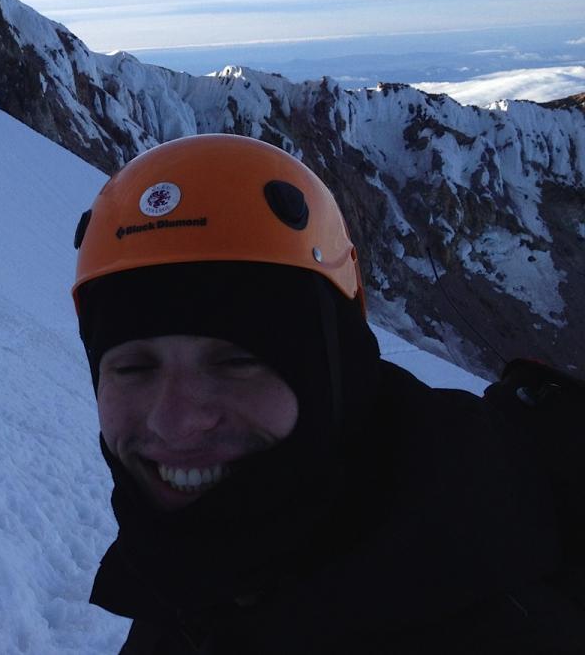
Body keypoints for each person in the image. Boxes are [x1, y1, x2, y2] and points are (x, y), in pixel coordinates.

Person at [70, 134, 584, 654]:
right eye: (133, 367)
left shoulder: (508, 622)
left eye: (237, 361)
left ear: (335, 370)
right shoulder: (189, 573)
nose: (175, 421)